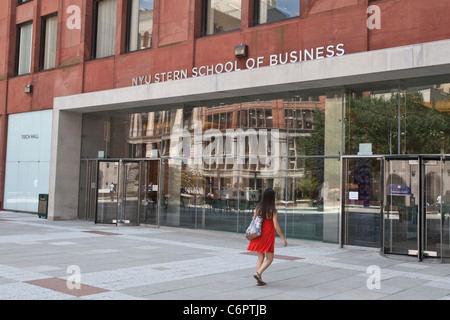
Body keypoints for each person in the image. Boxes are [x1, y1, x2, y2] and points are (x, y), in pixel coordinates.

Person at [247, 188, 287, 286]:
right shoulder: (272, 210)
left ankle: (259, 280)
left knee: (260, 257)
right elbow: (276, 226)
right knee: (270, 258)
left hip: (258, 234)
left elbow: (255, 220)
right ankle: (258, 273)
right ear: (272, 197)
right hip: (267, 235)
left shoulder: (258, 208)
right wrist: (283, 238)